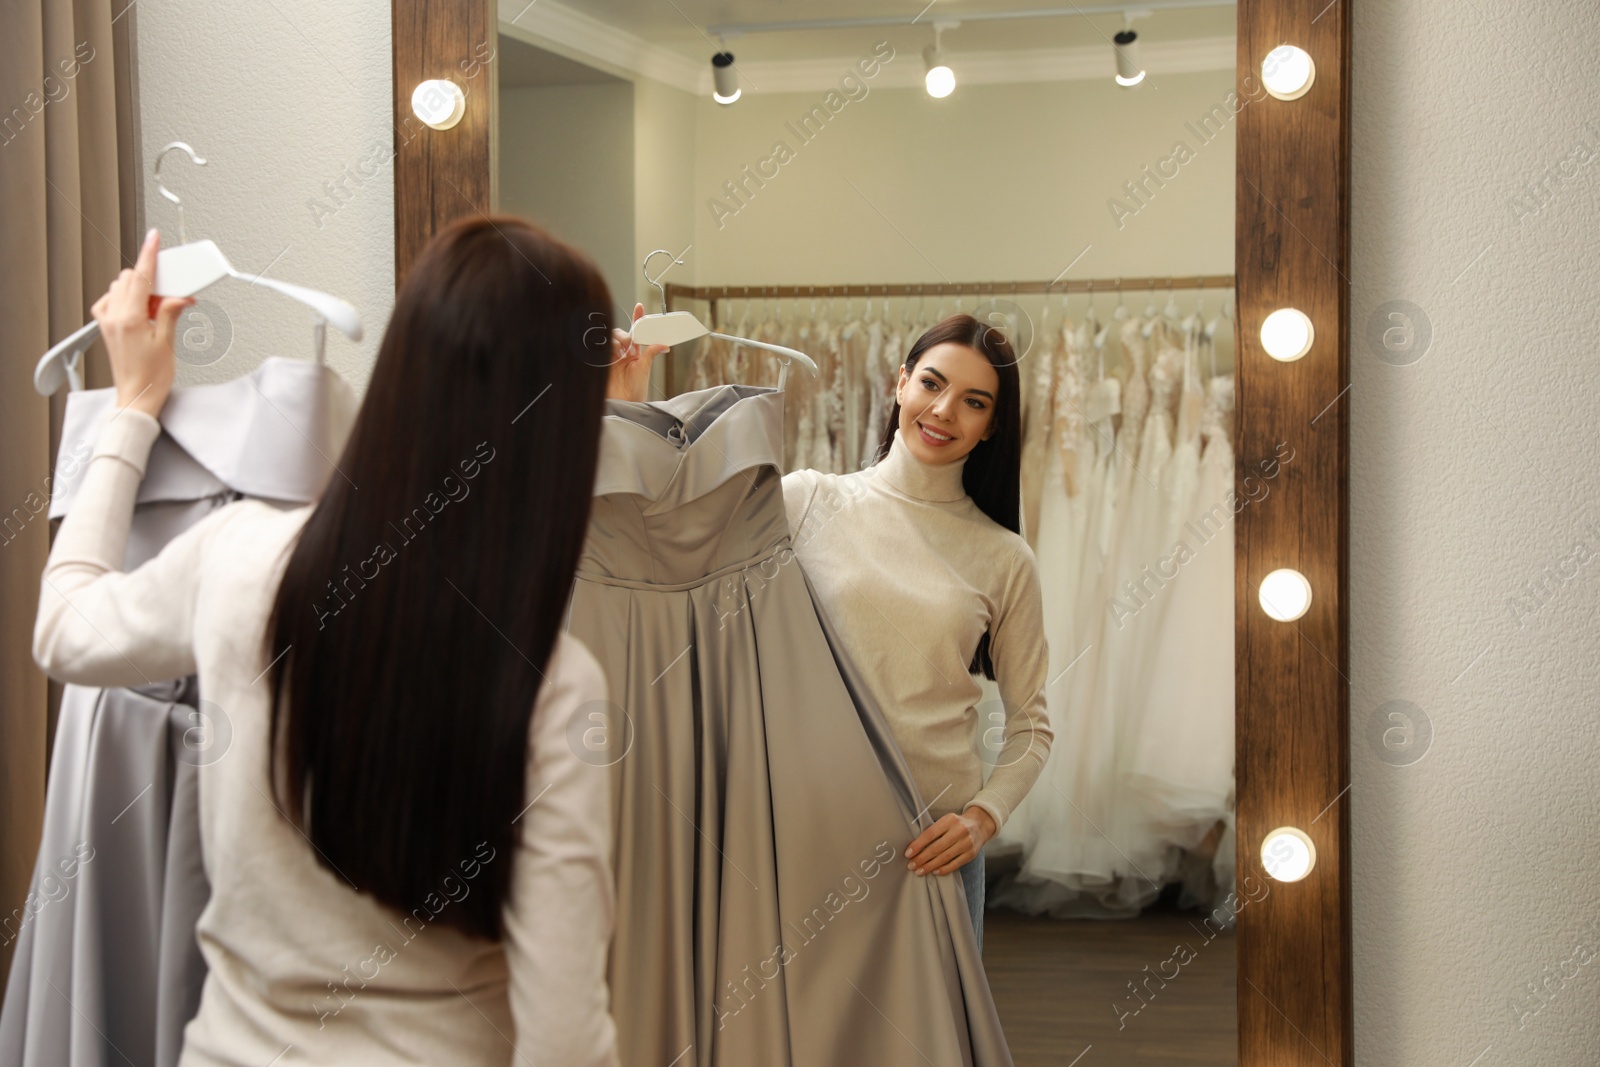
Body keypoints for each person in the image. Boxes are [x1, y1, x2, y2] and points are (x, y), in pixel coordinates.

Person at [32, 220, 621, 1066]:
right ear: (564, 439)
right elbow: (565, 1042)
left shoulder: (238, 561)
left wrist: (130, 414)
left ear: (398, 372)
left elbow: (65, 628)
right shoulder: (553, 685)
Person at [611, 308, 1053, 955]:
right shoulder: (805, 499)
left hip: (930, 854)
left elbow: (1032, 725)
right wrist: (627, 402)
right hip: (805, 840)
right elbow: (666, 541)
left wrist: (983, 817)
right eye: (932, 383)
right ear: (900, 383)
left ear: (991, 427)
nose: (944, 409)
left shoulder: (1005, 558)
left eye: (974, 401)